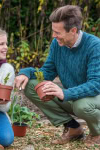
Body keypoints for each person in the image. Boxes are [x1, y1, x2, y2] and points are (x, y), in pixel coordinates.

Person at [15, 5, 100, 147]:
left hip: (94, 98)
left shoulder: (94, 46)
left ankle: (97, 133)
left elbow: (96, 84)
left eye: (57, 32)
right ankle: (73, 128)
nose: (54, 36)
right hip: (71, 95)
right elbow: (47, 72)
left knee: (81, 105)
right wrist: (26, 72)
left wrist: (65, 93)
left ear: (73, 31)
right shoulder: (57, 44)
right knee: (32, 85)